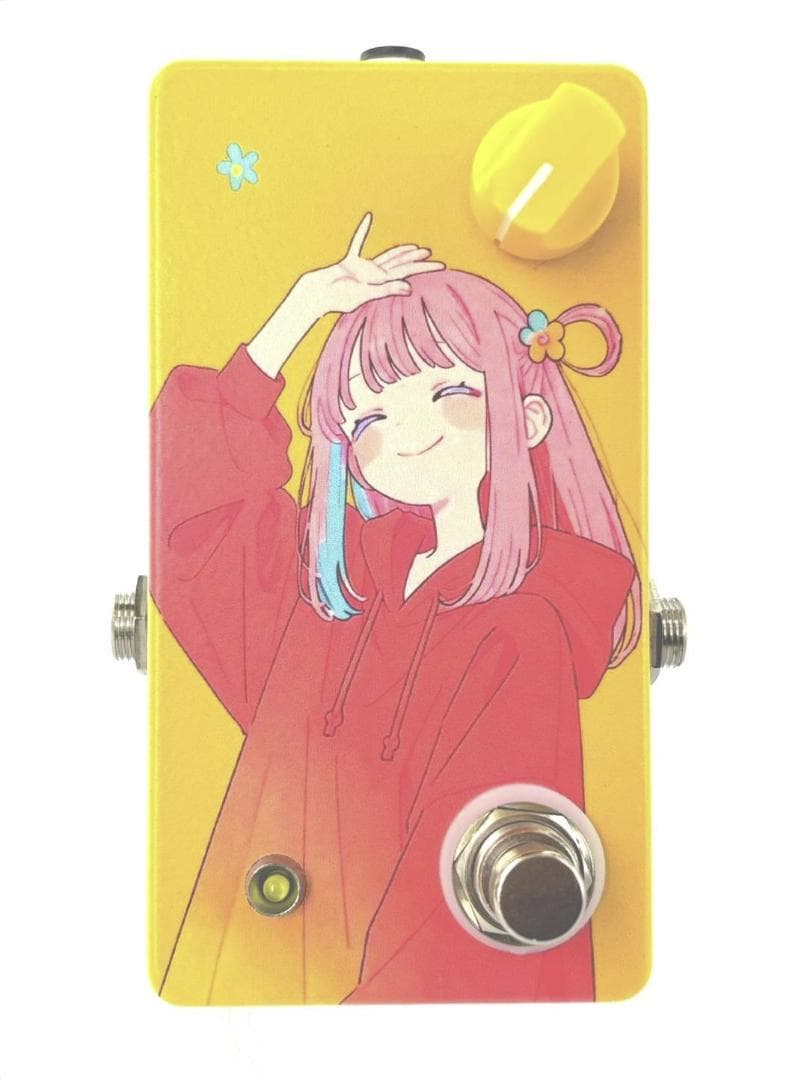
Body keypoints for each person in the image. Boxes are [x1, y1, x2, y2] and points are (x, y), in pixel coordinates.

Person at [152, 211, 639, 1004]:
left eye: (449, 393)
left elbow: (458, 930)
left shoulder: (520, 632)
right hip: (251, 991)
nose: (408, 433)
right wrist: (298, 314)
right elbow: (186, 514)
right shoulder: (335, 594)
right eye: (372, 417)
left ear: (528, 418)